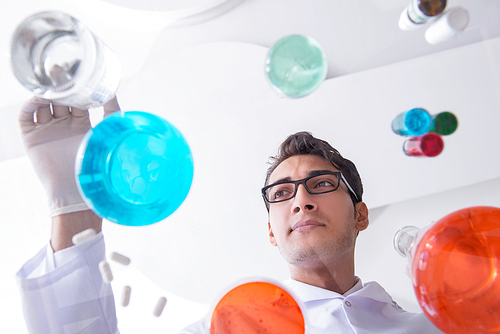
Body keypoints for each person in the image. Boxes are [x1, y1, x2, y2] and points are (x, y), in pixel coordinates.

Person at [16, 97, 443, 333]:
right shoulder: (226, 328)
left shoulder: (436, 325)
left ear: (361, 215)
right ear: (272, 233)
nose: (301, 201)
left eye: (322, 183)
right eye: (281, 192)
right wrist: (74, 208)